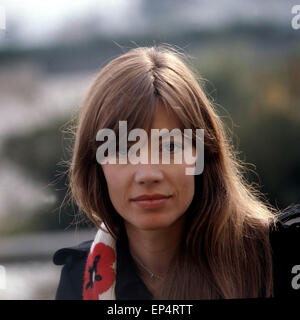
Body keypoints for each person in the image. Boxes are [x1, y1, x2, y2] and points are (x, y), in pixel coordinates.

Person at [53, 45, 300, 300]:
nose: (147, 174)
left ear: (203, 154)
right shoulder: (80, 278)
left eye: (171, 146)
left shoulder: (279, 257)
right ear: (96, 166)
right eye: (123, 150)